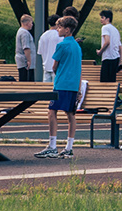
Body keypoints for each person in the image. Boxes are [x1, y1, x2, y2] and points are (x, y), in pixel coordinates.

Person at [37, 15, 82, 159]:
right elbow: (79, 68)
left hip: (62, 83)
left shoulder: (62, 45)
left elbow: (54, 66)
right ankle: (69, 147)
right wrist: (79, 89)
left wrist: (59, 73)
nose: (58, 29)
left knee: (52, 112)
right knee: (70, 114)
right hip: (73, 85)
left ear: (67, 30)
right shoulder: (77, 46)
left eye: (60, 27)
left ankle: (52, 146)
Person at [98, 10, 122, 84]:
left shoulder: (105, 27)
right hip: (115, 58)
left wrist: (100, 52)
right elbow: (120, 48)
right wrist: (120, 62)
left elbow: (107, 42)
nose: (101, 19)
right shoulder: (115, 30)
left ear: (108, 19)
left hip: (108, 57)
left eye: (102, 17)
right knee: (112, 82)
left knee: (104, 83)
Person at [37, 16, 61, 83]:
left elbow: (40, 52)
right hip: (57, 67)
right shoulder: (60, 35)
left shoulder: (43, 36)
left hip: (46, 66)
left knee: (46, 88)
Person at [15, 15, 36, 82]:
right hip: (24, 61)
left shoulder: (21, 31)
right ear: (27, 23)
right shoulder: (24, 33)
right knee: (26, 80)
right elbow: (26, 47)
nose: (32, 25)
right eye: (31, 23)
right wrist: (29, 60)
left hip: (22, 60)